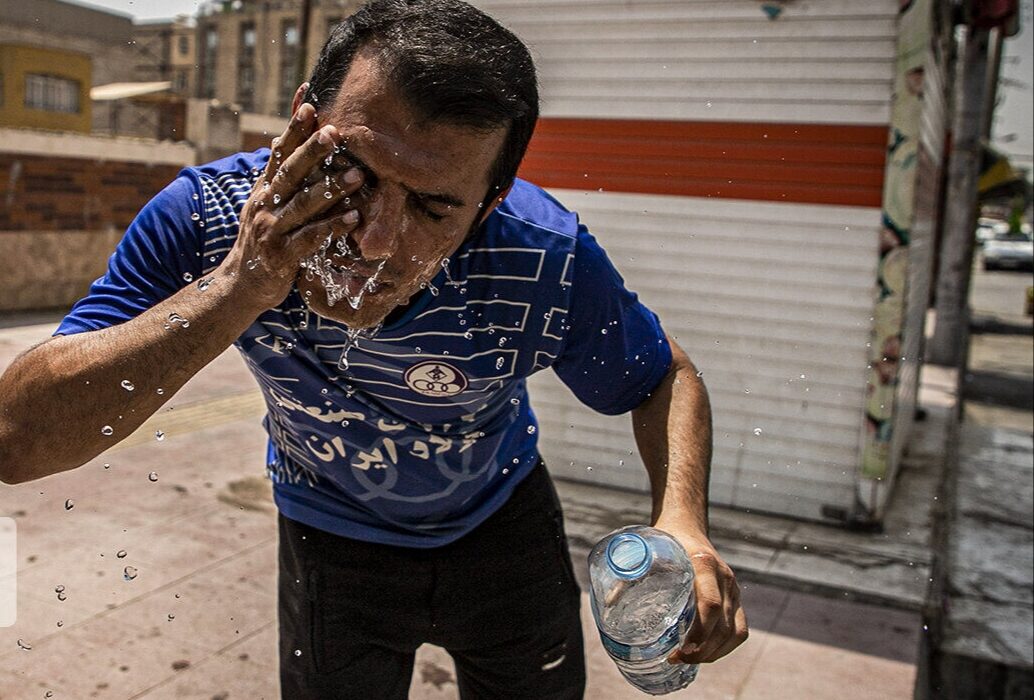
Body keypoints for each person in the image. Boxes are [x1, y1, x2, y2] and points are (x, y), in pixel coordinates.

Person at [0, 0, 747, 697]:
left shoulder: (542, 257)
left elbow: (662, 378)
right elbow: (18, 440)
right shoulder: (208, 221)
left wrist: (683, 522)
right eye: (348, 174)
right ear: (302, 125)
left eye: (432, 207)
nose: (375, 240)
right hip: (326, 529)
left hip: (501, 524)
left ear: (489, 202)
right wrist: (238, 286)